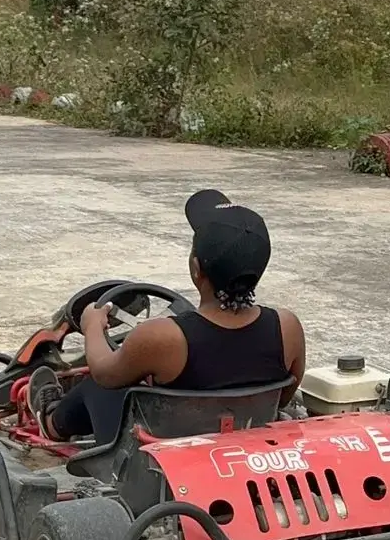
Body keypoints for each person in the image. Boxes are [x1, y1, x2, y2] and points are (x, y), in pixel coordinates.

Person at [28, 189, 306, 444]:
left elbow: (103, 372)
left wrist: (92, 326)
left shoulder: (163, 337)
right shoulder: (287, 327)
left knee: (100, 387)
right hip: (246, 442)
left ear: (196, 269)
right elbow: (281, 400)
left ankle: (51, 421)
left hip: (164, 457)